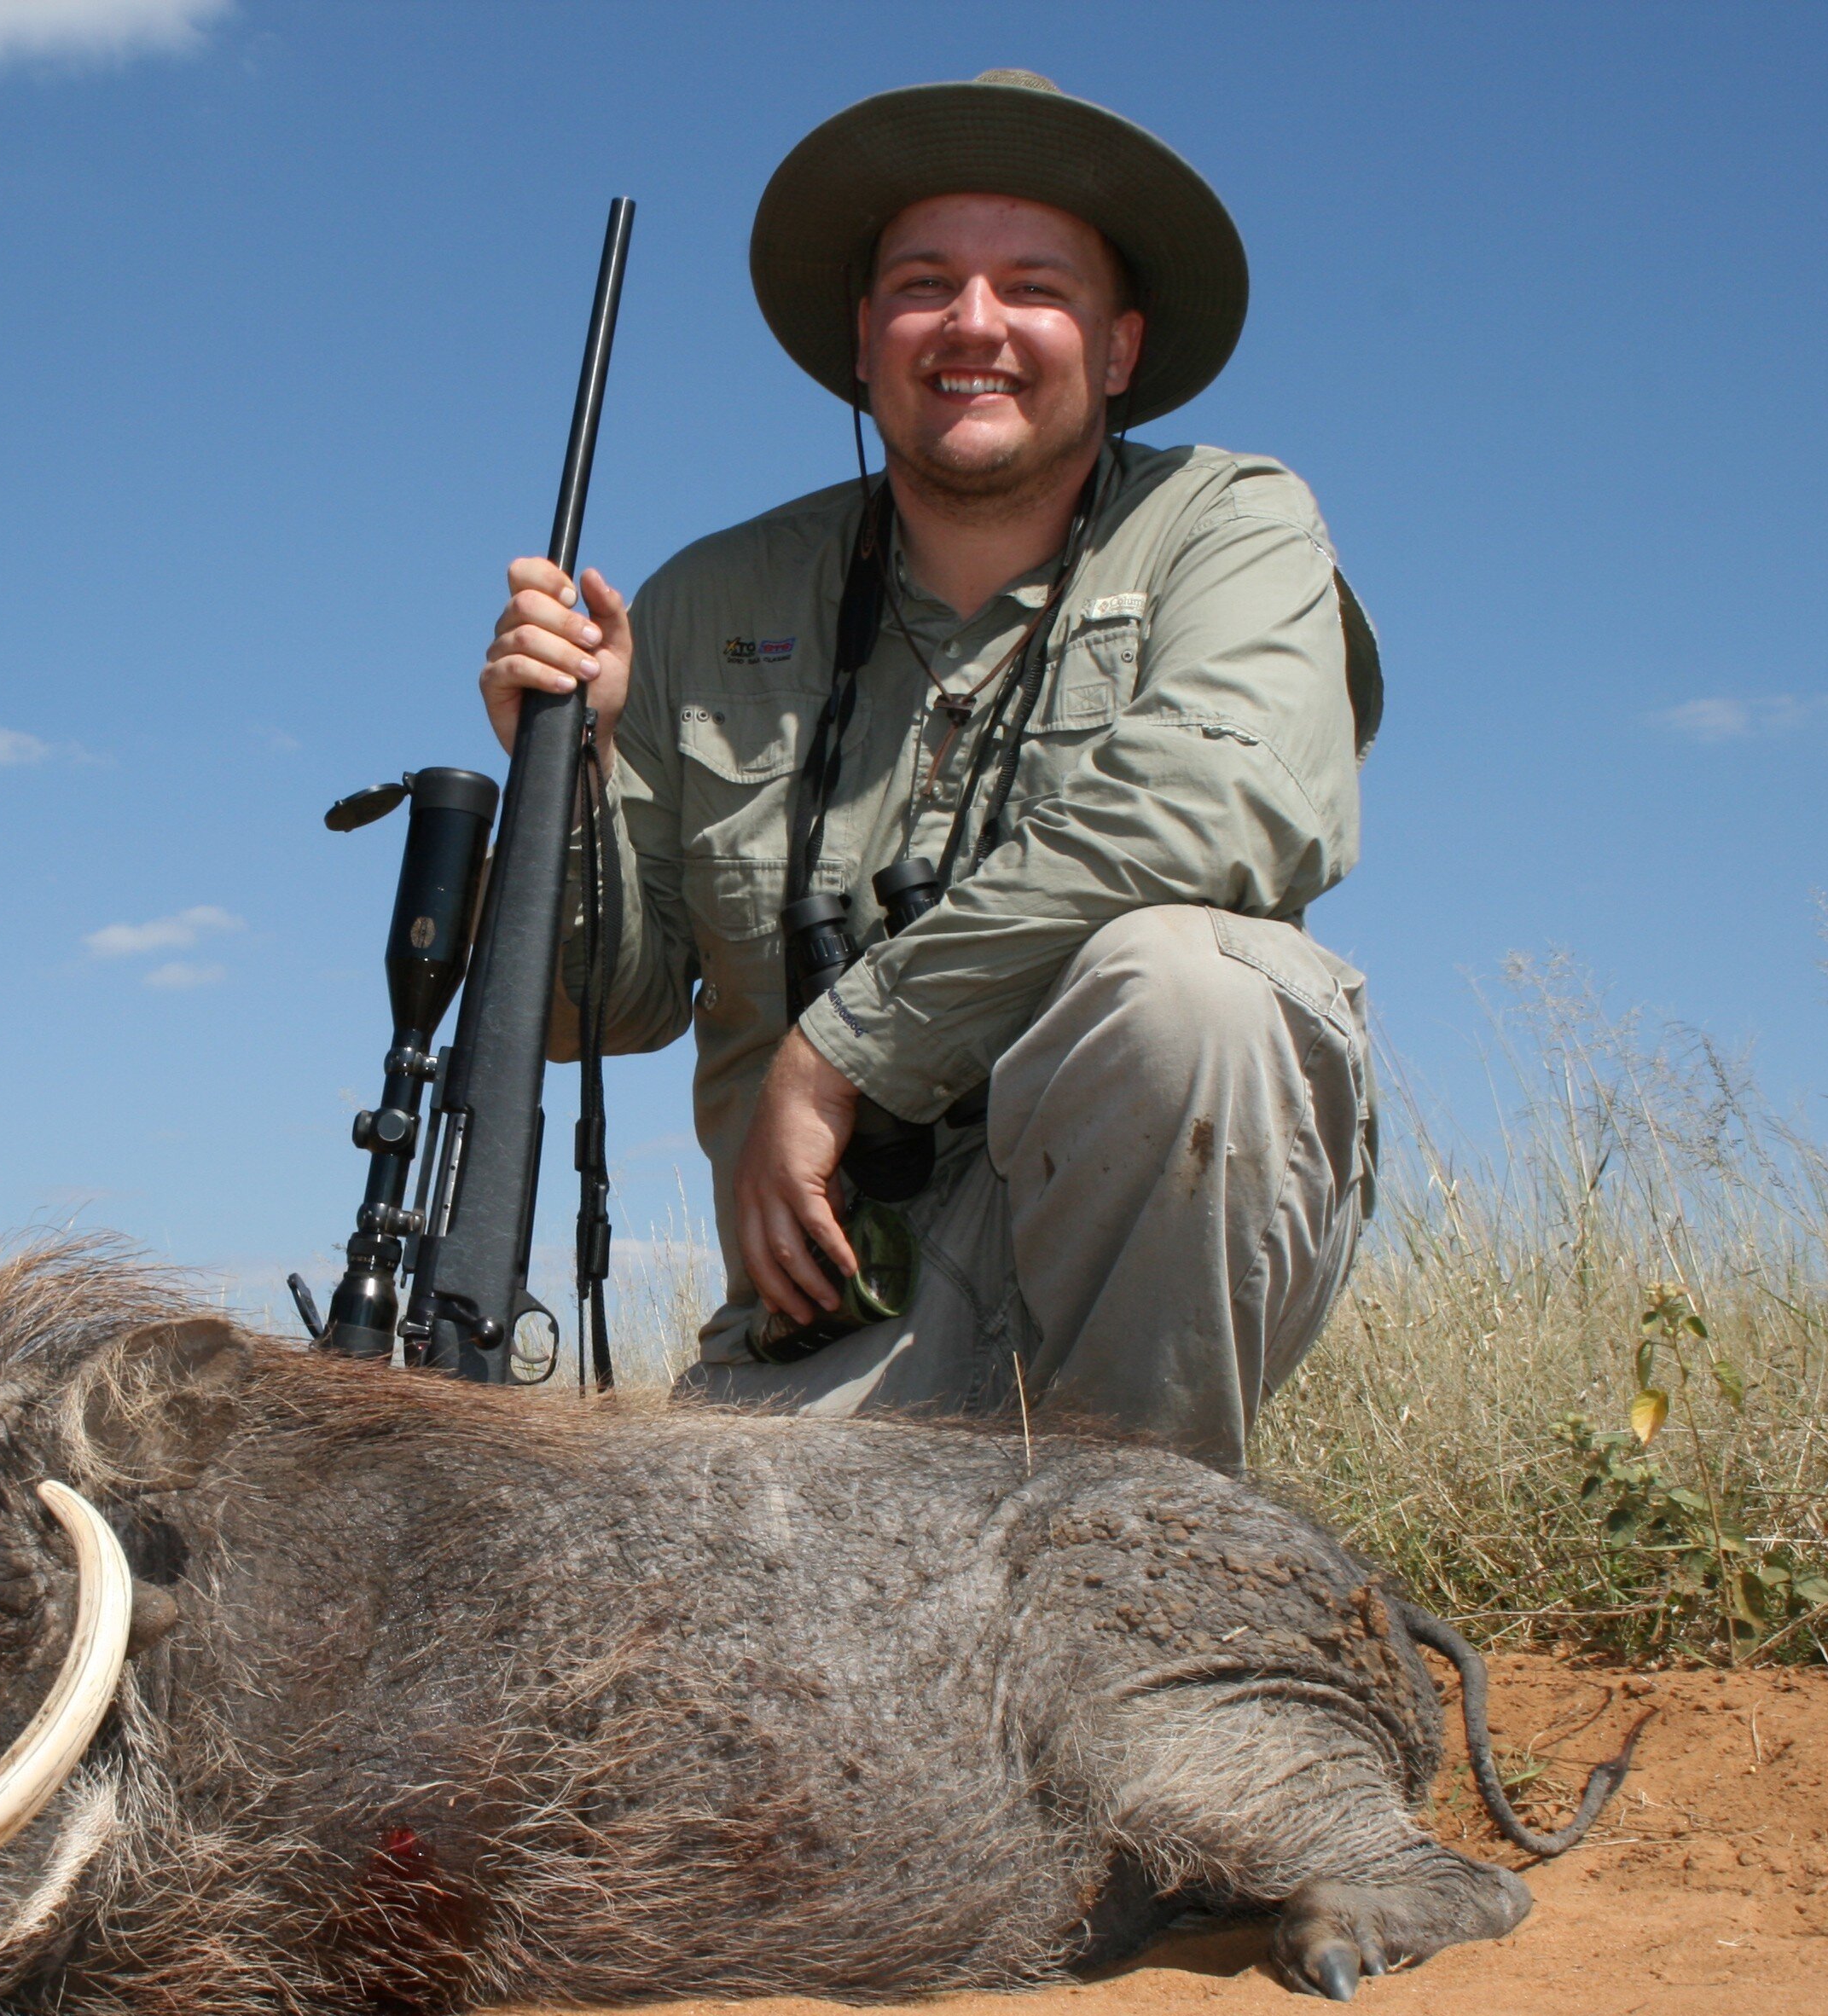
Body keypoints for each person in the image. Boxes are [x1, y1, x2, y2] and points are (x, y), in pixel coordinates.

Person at [479, 70, 1381, 1466]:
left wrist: (839, 1055)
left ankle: (1145, 1548)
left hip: (1139, 1252)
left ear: (1121, 346)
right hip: (842, 1307)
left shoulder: (1234, 521)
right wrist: (569, 776)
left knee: (1198, 996)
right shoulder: (711, 601)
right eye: (923, 283)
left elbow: (1232, 803)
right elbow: (597, 1009)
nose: (974, 326)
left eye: (1033, 285)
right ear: (862, 335)